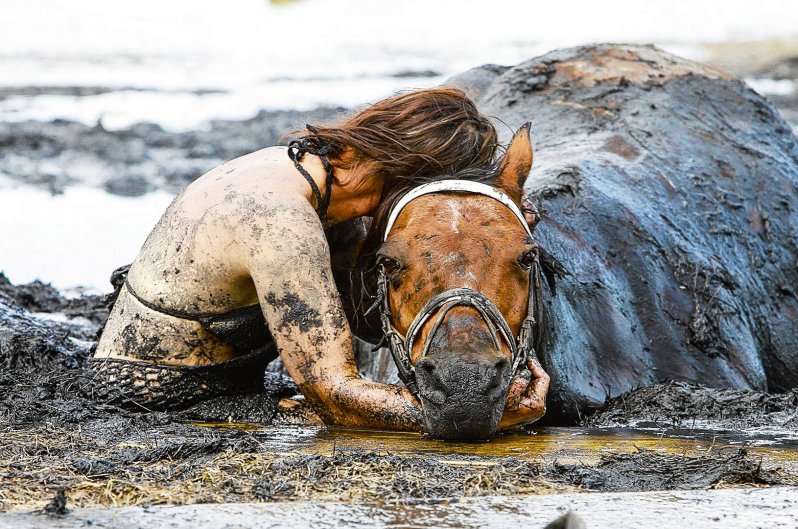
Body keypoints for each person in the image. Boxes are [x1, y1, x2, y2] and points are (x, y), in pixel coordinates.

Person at [88, 88, 547, 431]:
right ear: (410, 169)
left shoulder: (310, 181)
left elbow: (366, 323)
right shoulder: (280, 222)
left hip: (217, 387)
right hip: (162, 404)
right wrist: (474, 412)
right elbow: (335, 397)